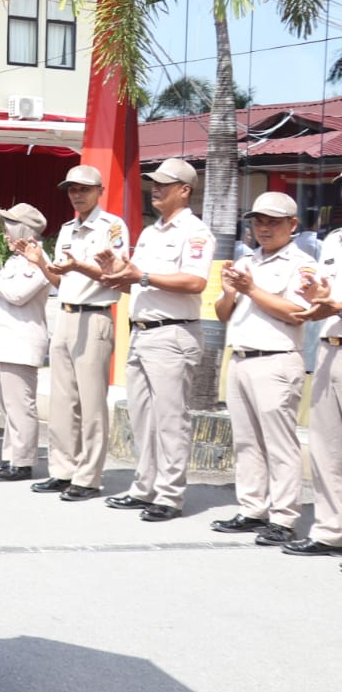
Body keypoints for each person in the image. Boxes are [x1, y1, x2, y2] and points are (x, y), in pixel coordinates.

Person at [96, 157, 212, 523]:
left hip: (173, 333)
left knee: (170, 419)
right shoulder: (150, 232)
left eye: (164, 183)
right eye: (154, 182)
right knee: (143, 416)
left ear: (185, 190)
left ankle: (170, 495)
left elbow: (195, 282)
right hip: (143, 332)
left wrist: (142, 276)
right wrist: (117, 274)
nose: (155, 189)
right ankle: (144, 486)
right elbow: (137, 278)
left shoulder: (194, 233)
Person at [209, 192, 311, 547]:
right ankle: (253, 508)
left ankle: (284, 517)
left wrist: (250, 289)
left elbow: (297, 312)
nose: (264, 228)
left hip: (276, 359)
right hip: (240, 358)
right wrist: (228, 293)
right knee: (246, 441)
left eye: (273, 222)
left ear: (292, 225)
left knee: (279, 444)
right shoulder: (247, 260)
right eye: (258, 221)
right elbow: (223, 314)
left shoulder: (301, 264)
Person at [29, 166, 129, 501]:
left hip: (95, 316)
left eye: (84, 188)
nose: (77, 194)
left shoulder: (112, 227)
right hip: (67, 314)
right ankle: (62, 469)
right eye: (72, 188)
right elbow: (62, 280)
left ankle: (88, 477)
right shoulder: (68, 229)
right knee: (62, 401)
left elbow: (115, 277)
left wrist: (79, 267)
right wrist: (41, 263)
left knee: (91, 403)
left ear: (100, 190)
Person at [0, 203, 52, 482]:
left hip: (20, 342)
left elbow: (17, 294)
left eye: (10, 225)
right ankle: (11, 457)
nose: (5, 231)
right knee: (9, 405)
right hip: (5, 342)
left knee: (21, 405)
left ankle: (22, 462)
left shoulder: (36, 259)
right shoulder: (15, 259)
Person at [290, 210, 342, 557]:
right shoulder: (334, 239)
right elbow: (328, 299)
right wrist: (315, 306)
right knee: (326, 447)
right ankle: (329, 531)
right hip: (330, 348)